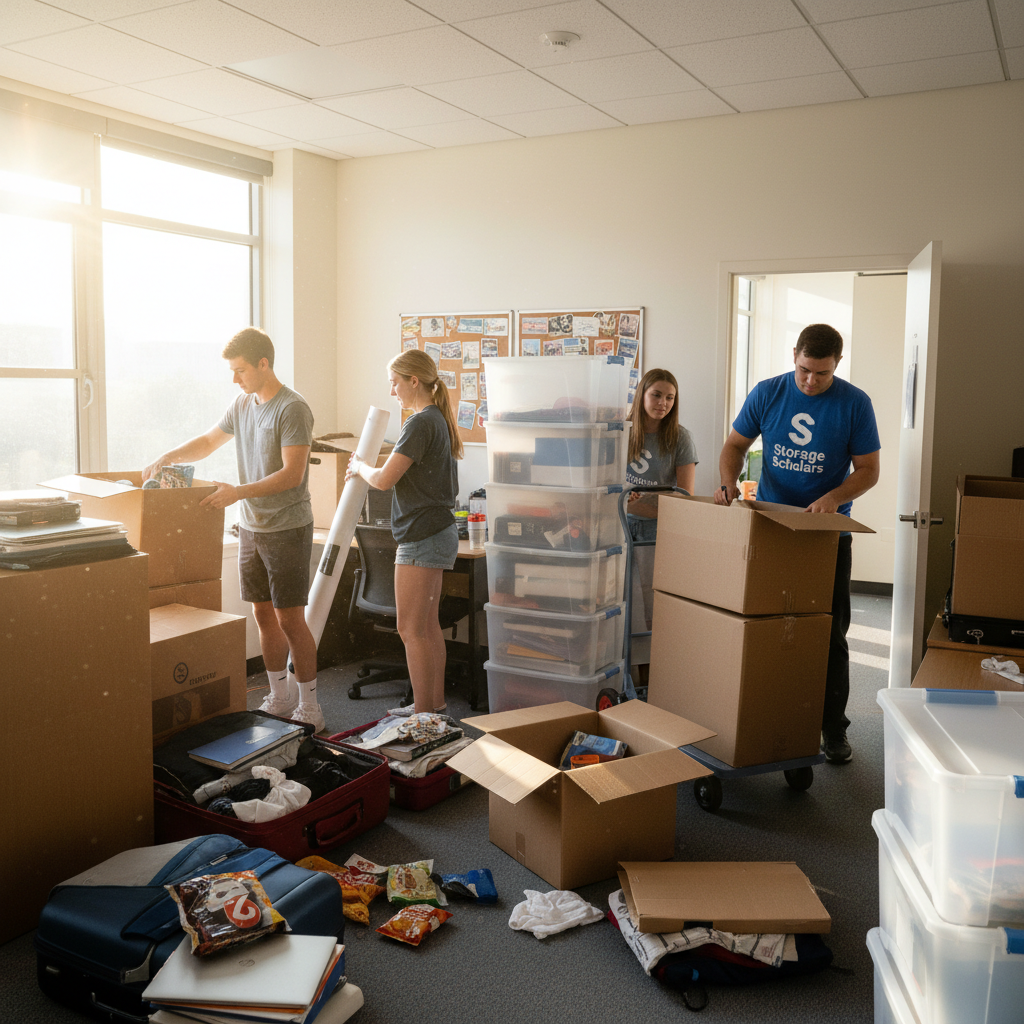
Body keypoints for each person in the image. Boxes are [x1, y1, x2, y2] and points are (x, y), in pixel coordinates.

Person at [142, 327, 324, 732]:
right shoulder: (242, 404)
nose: (235, 378)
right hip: (252, 528)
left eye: (240, 370)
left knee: (291, 618)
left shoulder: (292, 409)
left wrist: (236, 492)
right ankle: (279, 695)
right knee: (262, 614)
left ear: (263, 363)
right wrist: (168, 456)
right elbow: (208, 442)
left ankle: (311, 705)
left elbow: (292, 475)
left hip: (287, 527)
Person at [714, 323, 880, 764]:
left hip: (825, 536)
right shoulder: (768, 392)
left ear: (837, 365)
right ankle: (764, 714)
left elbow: (868, 469)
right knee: (764, 624)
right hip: (771, 529)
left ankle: (832, 729)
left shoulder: (854, 403)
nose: (811, 381)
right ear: (794, 356)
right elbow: (734, 445)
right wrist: (729, 483)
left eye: (821, 374)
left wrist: (834, 497)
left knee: (829, 633)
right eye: (805, 370)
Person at [345, 349, 463, 714]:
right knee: (426, 628)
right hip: (436, 532)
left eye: (395, 383)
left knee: (410, 630)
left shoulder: (419, 423)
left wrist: (360, 466)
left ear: (414, 380)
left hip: (421, 536)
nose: (393, 391)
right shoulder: (436, 419)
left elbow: (383, 480)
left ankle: (424, 711)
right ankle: (432, 706)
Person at [625, 368, 698, 633]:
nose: (663, 403)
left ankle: (650, 673)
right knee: (620, 603)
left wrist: (637, 501)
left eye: (670, 398)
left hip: (656, 531)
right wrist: (633, 501)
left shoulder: (681, 437)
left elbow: (685, 496)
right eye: (656, 395)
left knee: (651, 609)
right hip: (617, 527)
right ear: (641, 394)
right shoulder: (621, 431)